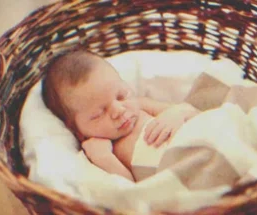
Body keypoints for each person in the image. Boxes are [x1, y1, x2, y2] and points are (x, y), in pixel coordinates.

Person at [42, 50, 200, 182]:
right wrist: (105, 159)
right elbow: (127, 189)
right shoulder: (97, 151)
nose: (118, 110)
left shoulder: (142, 106)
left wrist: (176, 113)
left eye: (121, 96)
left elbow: (193, 112)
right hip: (176, 177)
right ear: (78, 131)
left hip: (196, 144)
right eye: (99, 113)